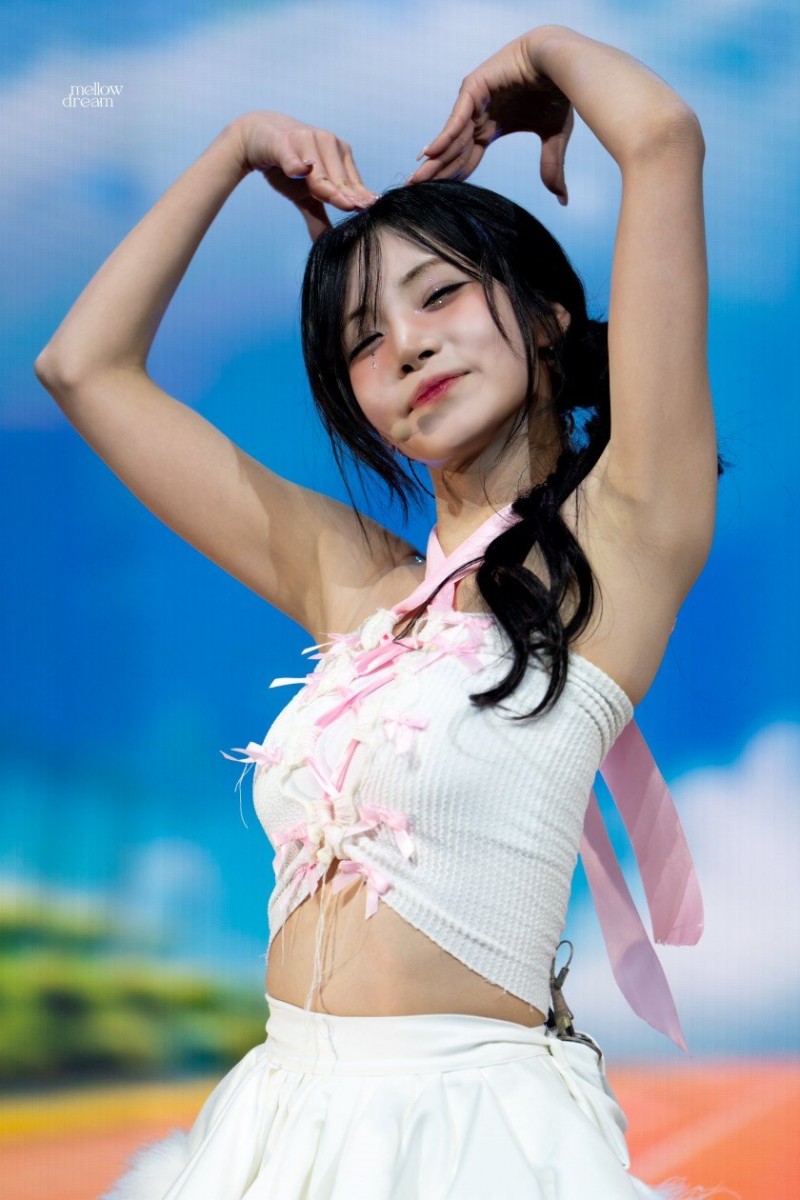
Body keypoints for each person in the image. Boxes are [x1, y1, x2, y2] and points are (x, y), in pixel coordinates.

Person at [34, 23, 736, 1200]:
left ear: (545, 316)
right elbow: (82, 368)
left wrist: (541, 55)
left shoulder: (619, 543)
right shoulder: (354, 583)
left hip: (469, 1137)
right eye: (362, 341)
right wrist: (235, 149)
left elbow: (661, 138)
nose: (405, 345)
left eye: (439, 294)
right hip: (272, 1123)